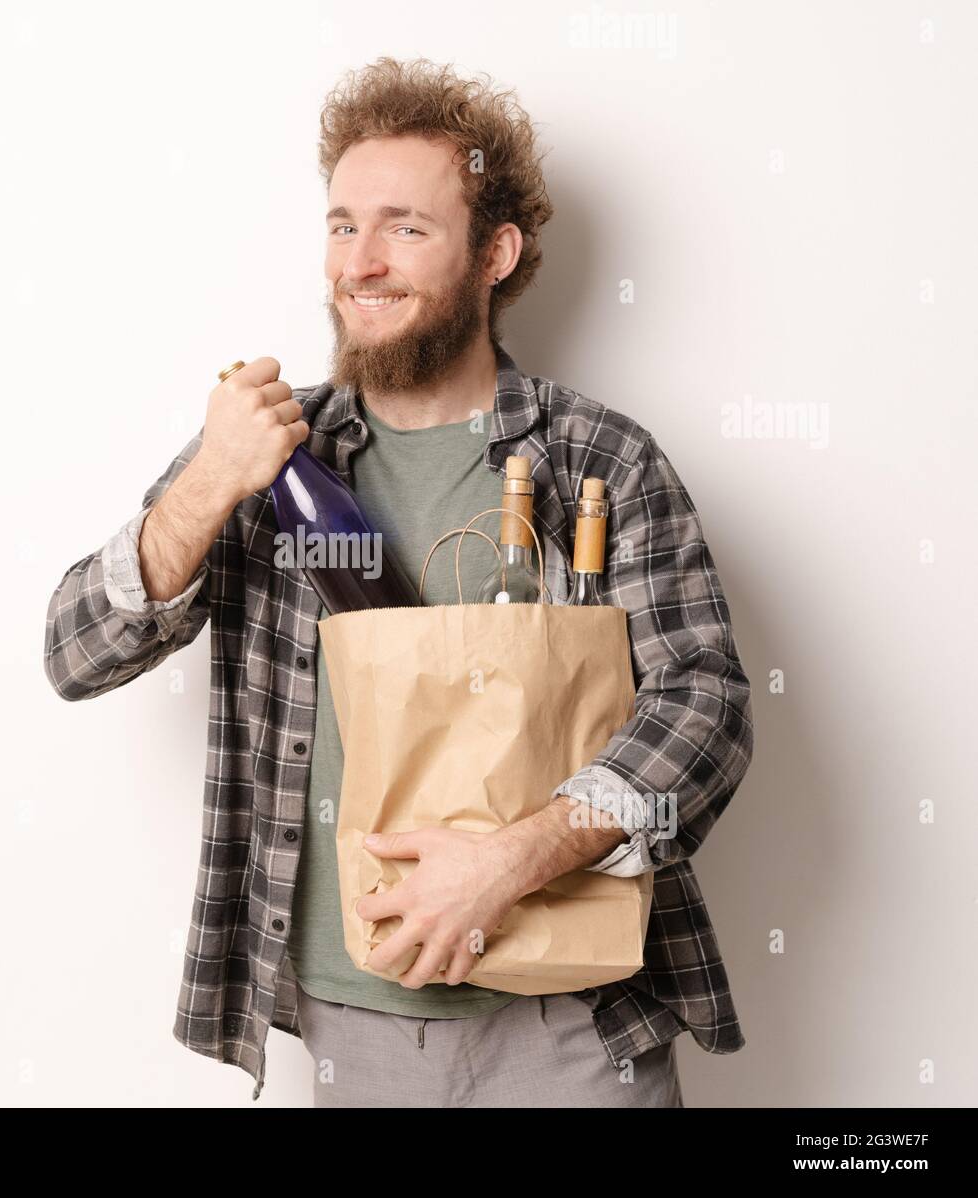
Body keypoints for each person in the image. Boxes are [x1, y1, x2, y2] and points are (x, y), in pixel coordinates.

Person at [44, 57, 753, 1107]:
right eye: (341, 225)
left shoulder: (598, 459)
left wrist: (515, 857)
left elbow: (707, 699)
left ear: (494, 254)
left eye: (404, 228)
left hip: (569, 1018)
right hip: (352, 1022)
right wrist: (206, 482)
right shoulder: (268, 458)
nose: (359, 263)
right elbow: (74, 652)